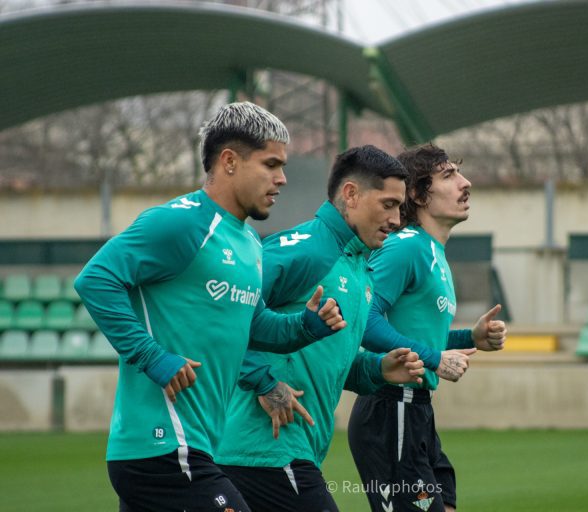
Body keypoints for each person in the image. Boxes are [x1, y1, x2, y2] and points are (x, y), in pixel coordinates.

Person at [74, 102, 344, 512]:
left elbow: (255, 328)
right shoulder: (182, 223)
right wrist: (151, 356)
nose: (282, 178)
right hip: (163, 446)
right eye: (271, 164)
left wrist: (306, 327)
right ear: (230, 161)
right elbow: (95, 279)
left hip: (194, 448)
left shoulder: (251, 243)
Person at [216, 145, 425, 512]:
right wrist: (263, 382)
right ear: (351, 194)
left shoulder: (361, 269)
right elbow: (223, 314)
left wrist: (377, 370)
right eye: (389, 204)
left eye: (400, 208)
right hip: (263, 449)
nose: (396, 219)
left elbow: (325, 360)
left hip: (295, 450)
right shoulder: (307, 250)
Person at [348, 143, 508, 512]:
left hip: (417, 411)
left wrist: (471, 338)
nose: (465, 183)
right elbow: (364, 320)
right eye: (449, 175)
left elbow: (414, 333)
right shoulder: (407, 247)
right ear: (418, 194)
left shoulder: (433, 252)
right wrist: (436, 358)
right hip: (391, 410)